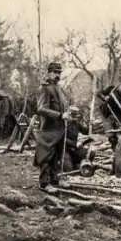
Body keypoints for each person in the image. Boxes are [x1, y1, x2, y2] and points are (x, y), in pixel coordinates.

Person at [33, 62, 72, 191]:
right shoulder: (44, 88)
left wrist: (68, 113)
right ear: (49, 73)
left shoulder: (59, 89)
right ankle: (44, 183)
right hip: (47, 128)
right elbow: (41, 109)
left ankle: (55, 179)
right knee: (46, 156)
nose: (57, 75)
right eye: (55, 72)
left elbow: (63, 106)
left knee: (57, 155)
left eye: (59, 73)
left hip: (59, 128)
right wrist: (60, 115)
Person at [96, 80, 121, 151]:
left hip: (118, 115)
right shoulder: (112, 89)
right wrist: (104, 98)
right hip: (106, 113)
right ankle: (115, 149)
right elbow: (99, 93)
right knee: (111, 134)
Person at [62, 106, 96, 172]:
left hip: (75, 149)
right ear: (68, 115)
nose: (74, 118)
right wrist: (74, 144)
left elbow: (85, 131)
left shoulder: (76, 123)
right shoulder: (62, 124)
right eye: (72, 116)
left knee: (92, 152)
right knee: (69, 169)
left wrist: (90, 125)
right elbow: (61, 138)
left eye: (76, 117)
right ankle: (66, 163)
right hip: (64, 150)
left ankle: (77, 163)